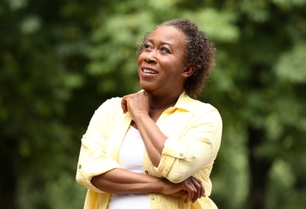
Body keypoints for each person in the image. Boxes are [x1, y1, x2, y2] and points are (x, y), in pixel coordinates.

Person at [76, 18, 223, 208]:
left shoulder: (204, 116)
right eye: (147, 47)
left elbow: (177, 169)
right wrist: (162, 186)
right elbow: (89, 172)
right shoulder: (111, 110)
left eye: (164, 50)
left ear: (187, 69)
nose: (149, 56)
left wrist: (141, 116)